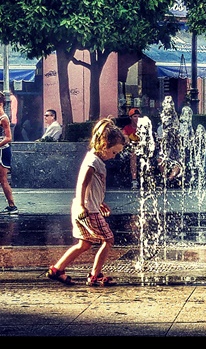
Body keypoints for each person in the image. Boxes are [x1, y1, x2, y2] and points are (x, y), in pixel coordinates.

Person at [46, 117, 126, 286]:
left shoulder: (94, 159)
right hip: (87, 210)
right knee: (108, 239)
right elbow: (82, 183)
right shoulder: (92, 161)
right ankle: (94, 275)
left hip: (85, 207)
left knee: (84, 243)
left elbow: (92, 187)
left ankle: (57, 269)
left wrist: (99, 202)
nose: (114, 156)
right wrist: (84, 205)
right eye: (113, 152)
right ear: (104, 145)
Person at [122, 108, 142, 189]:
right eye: (135, 116)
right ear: (130, 118)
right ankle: (134, 180)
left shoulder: (143, 127)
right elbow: (127, 140)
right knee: (133, 154)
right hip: (131, 150)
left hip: (143, 149)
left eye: (138, 116)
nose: (137, 118)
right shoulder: (127, 128)